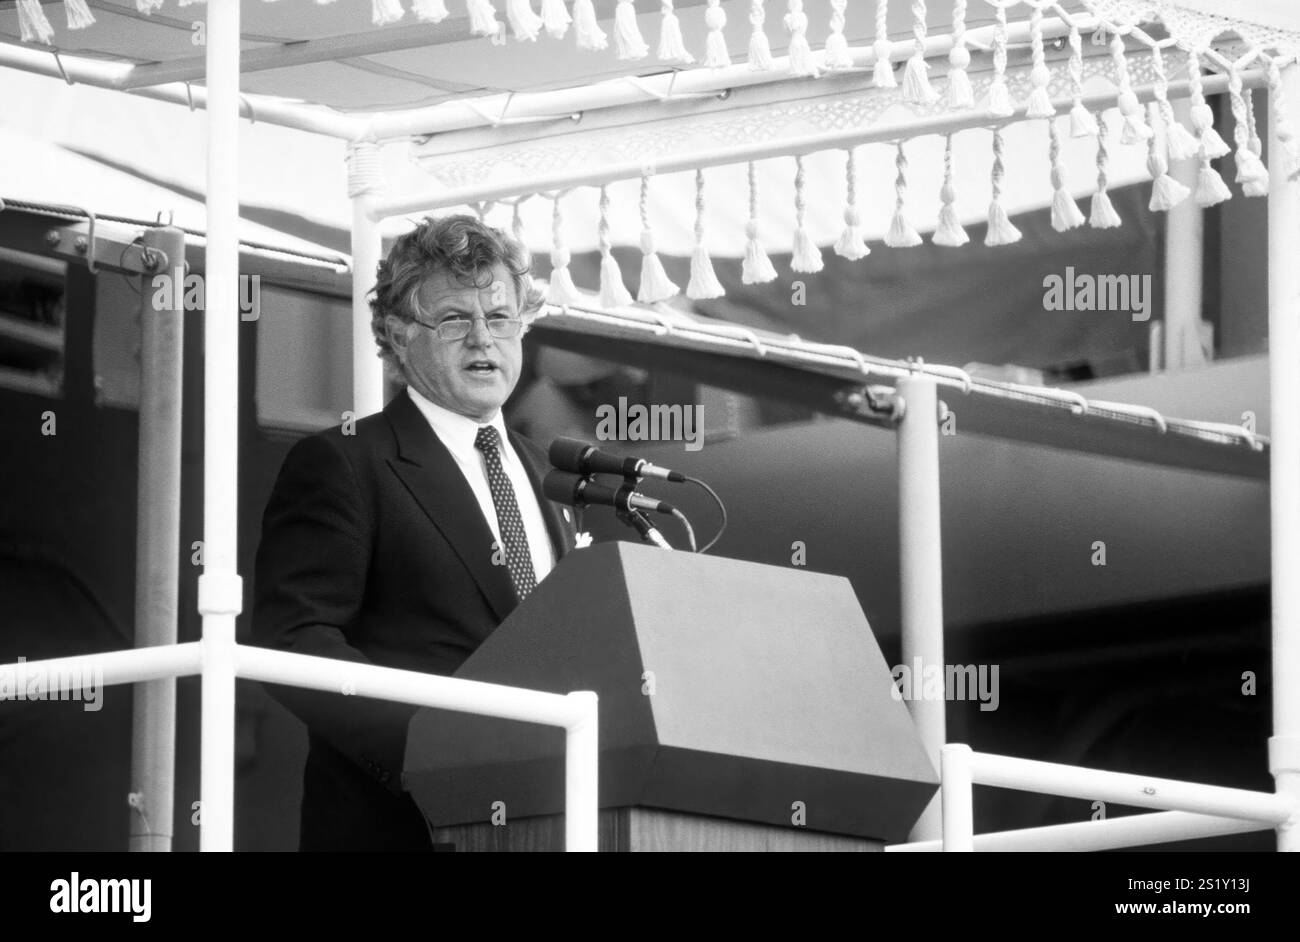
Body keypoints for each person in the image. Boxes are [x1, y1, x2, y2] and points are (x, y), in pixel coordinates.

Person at [252, 215, 576, 851]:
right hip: (401, 827)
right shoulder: (346, 463)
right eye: (454, 319)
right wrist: (433, 752)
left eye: (501, 317)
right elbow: (292, 641)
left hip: (549, 820)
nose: (483, 338)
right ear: (399, 338)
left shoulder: (551, 474)